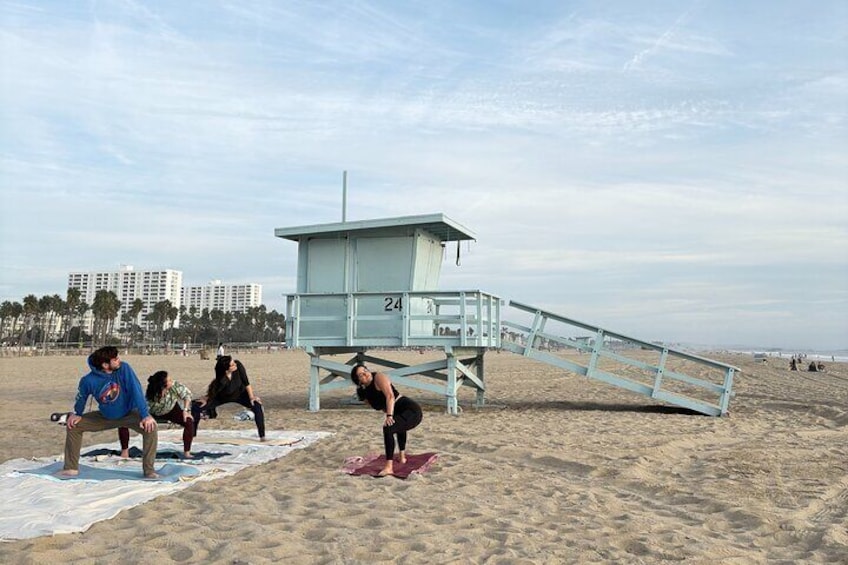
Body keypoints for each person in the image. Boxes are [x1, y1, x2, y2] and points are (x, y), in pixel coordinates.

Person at [58, 346, 159, 479]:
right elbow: (81, 397)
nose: (119, 360)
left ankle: (149, 471)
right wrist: (77, 413)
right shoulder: (88, 380)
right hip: (106, 416)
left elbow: (136, 390)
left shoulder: (124, 368)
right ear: (105, 365)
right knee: (73, 426)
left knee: (151, 428)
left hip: (129, 413)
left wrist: (145, 415)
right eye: (115, 359)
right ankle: (71, 468)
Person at [350, 363, 423, 477]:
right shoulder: (363, 393)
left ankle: (389, 467)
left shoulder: (378, 377)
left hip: (411, 410)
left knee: (388, 428)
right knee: (395, 425)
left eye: (365, 370)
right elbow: (379, 406)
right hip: (397, 411)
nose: (365, 373)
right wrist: (390, 415)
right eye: (361, 374)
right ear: (359, 381)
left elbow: (390, 396)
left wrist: (389, 416)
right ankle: (402, 457)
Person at [118, 370, 194, 459]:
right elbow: (141, 406)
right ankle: (125, 451)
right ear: (162, 385)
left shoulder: (175, 386)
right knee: (123, 422)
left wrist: (185, 410)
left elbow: (187, 395)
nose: (171, 381)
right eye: (169, 380)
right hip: (151, 412)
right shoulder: (151, 392)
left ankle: (187, 453)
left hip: (171, 410)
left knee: (189, 421)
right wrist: (146, 418)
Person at [192, 355, 265, 440]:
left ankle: (262, 436)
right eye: (232, 364)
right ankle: (192, 434)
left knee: (257, 406)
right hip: (221, 396)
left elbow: (246, 382)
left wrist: (252, 397)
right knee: (196, 407)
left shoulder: (239, 366)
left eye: (233, 362)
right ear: (226, 369)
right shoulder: (221, 377)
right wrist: (207, 398)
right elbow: (215, 389)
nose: (235, 364)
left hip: (240, 394)